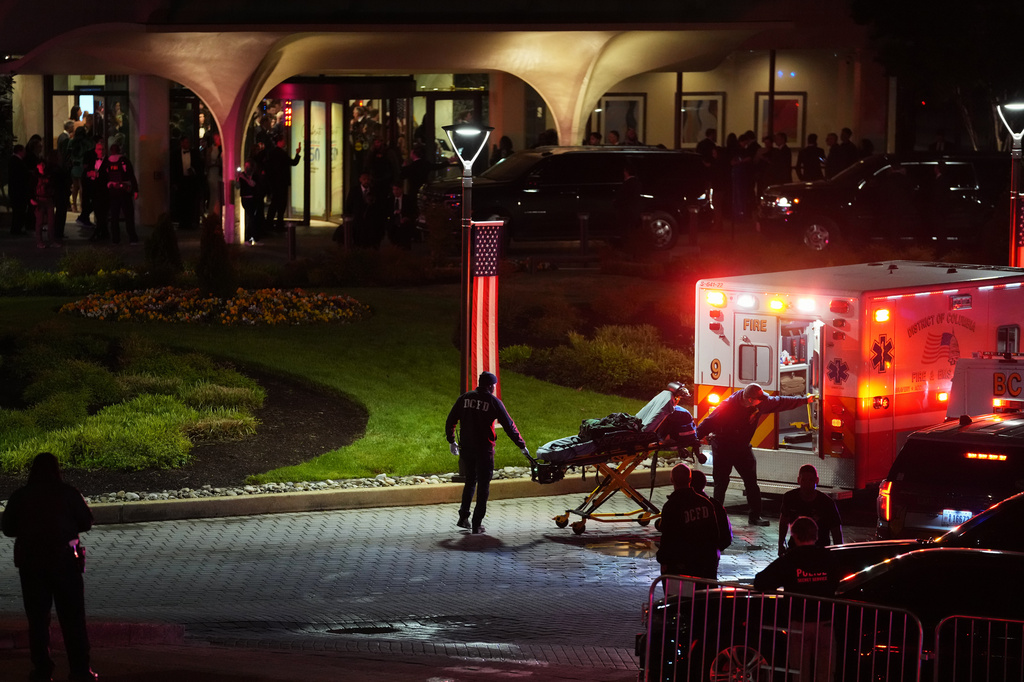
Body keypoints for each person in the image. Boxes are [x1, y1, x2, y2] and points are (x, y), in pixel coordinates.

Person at [2, 452, 98, 682]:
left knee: (37, 619)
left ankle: (42, 668)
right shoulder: (68, 493)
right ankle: (79, 669)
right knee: (73, 617)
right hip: (65, 561)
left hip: (32, 564)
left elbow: (7, 528)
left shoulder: (20, 496)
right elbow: (86, 521)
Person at [695, 382, 815, 526]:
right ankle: (715, 517)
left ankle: (755, 516)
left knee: (751, 482)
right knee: (721, 483)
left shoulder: (760, 403)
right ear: (750, 400)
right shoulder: (726, 407)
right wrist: (693, 439)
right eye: (760, 399)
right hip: (723, 447)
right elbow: (707, 423)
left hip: (742, 448)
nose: (764, 401)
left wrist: (804, 400)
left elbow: (781, 402)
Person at [754, 516, 840, 682]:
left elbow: (761, 581)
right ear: (816, 535)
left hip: (799, 622)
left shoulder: (790, 559)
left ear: (794, 536)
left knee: (800, 673)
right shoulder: (828, 557)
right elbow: (835, 582)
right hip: (825, 622)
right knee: (826, 671)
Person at [445, 371, 529, 534]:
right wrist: (521, 445)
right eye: (494, 385)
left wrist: (451, 440)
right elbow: (509, 425)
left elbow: (451, 420)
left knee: (470, 481)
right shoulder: (493, 402)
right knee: (483, 485)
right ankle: (477, 523)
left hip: (467, 448)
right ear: (490, 385)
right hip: (484, 449)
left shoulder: (464, 398)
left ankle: (463, 517)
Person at [656, 463, 722, 581]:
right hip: (706, 563)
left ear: (672, 480)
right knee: (705, 597)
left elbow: (668, 537)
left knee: (680, 598)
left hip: (681, 565)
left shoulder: (672, 506)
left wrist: (664, 560)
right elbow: (715, 534)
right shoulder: (705, 503)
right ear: (690, 479)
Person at [778, 464, 843, 556]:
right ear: (798, 480)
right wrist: (780, 544)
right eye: (804, 480)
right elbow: (783, 521)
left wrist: (839, 552)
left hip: (819, 550)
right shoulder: (789, 498)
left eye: (811, 480)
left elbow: (836, 531)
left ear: (817, 481)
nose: (807, 484)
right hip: (796, 549)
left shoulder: (826, 503)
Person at [690, 468, 732, 576]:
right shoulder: (715, 505)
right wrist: (714, 550)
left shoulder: (680, 506)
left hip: (687, 562)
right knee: (709, 589)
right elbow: (726, 536)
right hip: (710, 559)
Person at [101, 143, 140, 244]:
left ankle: (115, 238)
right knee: (128, 215)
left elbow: (104, 176)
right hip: (124, 190)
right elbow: (131, 175)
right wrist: (135, 190)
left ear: (110, 150)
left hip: (113, 191)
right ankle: (132, 238)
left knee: (114, 216)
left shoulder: (107, 162)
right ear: (119, 150)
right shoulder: (124, 160)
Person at [265, 135, 302, 233]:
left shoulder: (272, 153)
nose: (285, 142)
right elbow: (293, 162)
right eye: (283, 140)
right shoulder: (282, 154)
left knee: (274, 204)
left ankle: (269, 224)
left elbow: (268, 169)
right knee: (281, 205)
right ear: (280, 142)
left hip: (274, 183)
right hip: (282, 183)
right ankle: (279, 224)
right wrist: (298, 154)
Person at [170, 136, 202, 230]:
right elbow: (173, 169)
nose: (187, 144)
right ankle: (182, 223)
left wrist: (193, 171)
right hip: (180, 181)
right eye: (185, 142)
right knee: (181, 202)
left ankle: (190, 223)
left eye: (188, 142)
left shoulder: (194, 153)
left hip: (191, 181)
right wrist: (174, 183)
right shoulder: (175, 154)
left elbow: (199, 166)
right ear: (181, 143)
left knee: (191, 202)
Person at [237, 159, 263, 243]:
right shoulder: (242, 175)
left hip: (254, 198)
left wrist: (244, 178)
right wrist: (238, 178)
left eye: (248, 166)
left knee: (253, 218)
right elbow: (237, 186)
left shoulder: (254, 175)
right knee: (251, 217)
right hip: (246, 199)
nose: (246, 168)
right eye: (245, 166)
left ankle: (252, 237)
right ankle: (249, 238)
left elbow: (253, 184)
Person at [8, 144, 31, 235]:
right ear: (20, 151)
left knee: (18, 211)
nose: (25, 153)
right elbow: (21, 175)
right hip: (18, 191)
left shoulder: (14, 161)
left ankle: (17, 228)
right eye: (24, 151)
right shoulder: (16, 161)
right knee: (19, 211)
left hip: (16, 191)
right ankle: (16, 229)